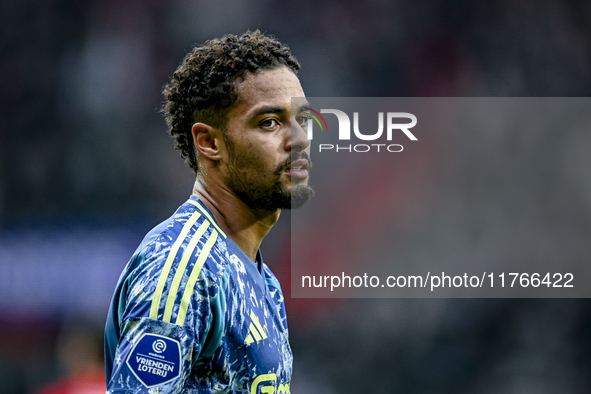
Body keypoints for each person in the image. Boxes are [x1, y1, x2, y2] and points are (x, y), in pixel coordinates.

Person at [104, 30, 313, 393]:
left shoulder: (262, 280)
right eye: (269, 122)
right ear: (209, 142)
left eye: (303, 119)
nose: (299, 138)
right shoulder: (184, 269)